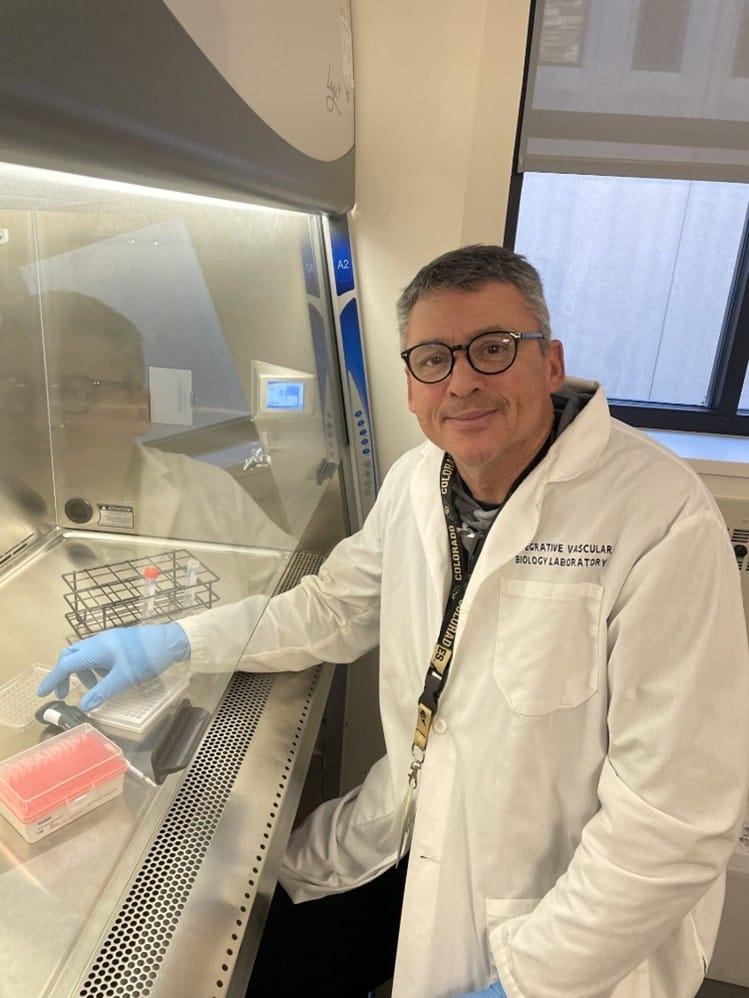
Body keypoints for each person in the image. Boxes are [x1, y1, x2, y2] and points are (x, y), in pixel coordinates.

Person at [40, 246, 749, 998]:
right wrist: (182, 641)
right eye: (433, 358)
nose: (463, 380)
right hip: (401, 834)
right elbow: (333, 607)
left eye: (493, 348)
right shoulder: (416, 481)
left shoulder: (659, 516)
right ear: (411, 386)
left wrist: (526, 983)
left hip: (556, 908)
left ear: (548, 363)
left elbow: (673, 818)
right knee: (259, 958)